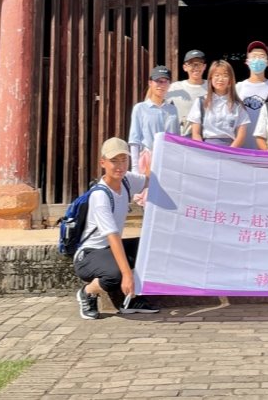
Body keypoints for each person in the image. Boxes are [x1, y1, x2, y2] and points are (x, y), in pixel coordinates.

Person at [74, 137, 160, 319]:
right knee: (115, 274)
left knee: (151, 246)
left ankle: (131, 300)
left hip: (109, 250)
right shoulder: (100, 196)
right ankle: (87, 292)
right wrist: (127, 275)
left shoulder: (127, 180)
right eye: (114, 161)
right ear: (103, 163)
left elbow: (149, 180)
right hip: (90, 254)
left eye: (124, 160)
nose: (120, 166)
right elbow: (113, 237)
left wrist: (157, 152)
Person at [186, 60, 249, 148]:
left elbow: (241, 136)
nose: (220, 79)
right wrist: (204, 149)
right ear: (210, 78)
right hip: (205, 149)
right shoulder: (201, 101)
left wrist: (228, 151)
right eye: (217, 75)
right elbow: (196, 134)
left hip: (230, 149)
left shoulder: (238, 105)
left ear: (230, 80)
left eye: (225, 75)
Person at [127, 65, 178, 171]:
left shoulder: (173, 109)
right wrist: (135, 168)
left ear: (169, 84)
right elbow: (134, 140)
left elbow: (177, 138)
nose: (161, 85)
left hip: (169, 161)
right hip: (147, 162)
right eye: (158, 81)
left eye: (165, 81)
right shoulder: (140, 108)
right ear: (150, 83)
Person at [235, 40, 268, 142]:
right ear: (247, 61)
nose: (257, 59)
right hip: (240, 146)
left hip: (265, 146)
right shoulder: (238, 88)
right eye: (253, 56)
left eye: (261, 56)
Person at [166, 49, 208, 135]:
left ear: (204, 66)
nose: (196, 67)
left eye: (199, 64)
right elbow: (156, 100)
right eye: (191, 64)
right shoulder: (175, 87)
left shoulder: (212, 86)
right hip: (183, 136)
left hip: (207, 136)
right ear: (185, 67)